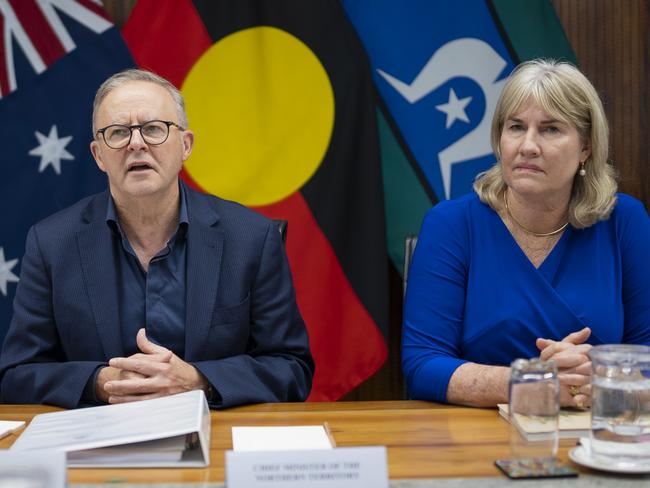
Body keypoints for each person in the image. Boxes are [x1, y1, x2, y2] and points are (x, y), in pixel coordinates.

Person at [0, 69, 314, 409]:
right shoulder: (51, 243)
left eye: (153, 129)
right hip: (98, 445)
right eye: (118, 133)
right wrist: (99, 382)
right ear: (98, 155)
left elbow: (291, 368)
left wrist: (198, 381)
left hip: (215, 438)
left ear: (185, 145)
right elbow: (17, 375)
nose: (137, 143)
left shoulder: (251, 238)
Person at [402, 59, 650, 408]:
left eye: (550, 129)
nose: (528, 145)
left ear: (586, 147)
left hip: (595, 432)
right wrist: (536, 382)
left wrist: (604, 376)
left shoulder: (625, 221)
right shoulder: (451, 224)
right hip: (474, 437)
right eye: (516, 127)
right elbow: (422, 365)